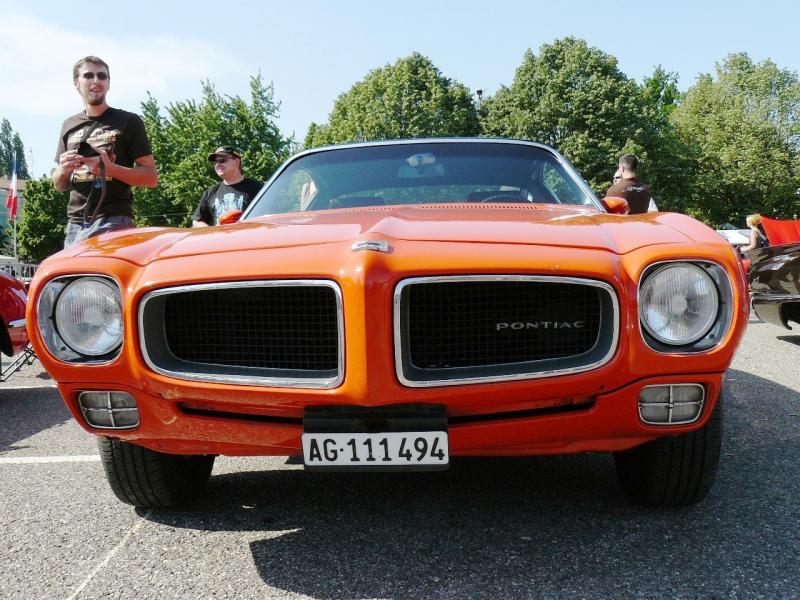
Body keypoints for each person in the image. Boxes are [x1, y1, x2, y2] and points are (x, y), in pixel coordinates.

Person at [53, 56, 158, 247]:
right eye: (88, 75)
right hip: (75, 224)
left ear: (108, 83)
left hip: (114, 221)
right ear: (76, 83)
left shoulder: (129, 121)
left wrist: (109, 169)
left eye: (102, 76)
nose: (96, 81)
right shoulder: (68, 125)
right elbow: (59, 185)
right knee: (76, 277)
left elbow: (151, 177)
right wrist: (63, 171)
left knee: (105, 278)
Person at [192, 146, 263, 227]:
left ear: (236, 162)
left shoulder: (258, 188)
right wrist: (213, 233)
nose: (217, 165)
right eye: (215, 162)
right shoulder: (210, 192)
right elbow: (197, 220)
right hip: (222, 239)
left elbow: (270, 217)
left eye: (222, 160)